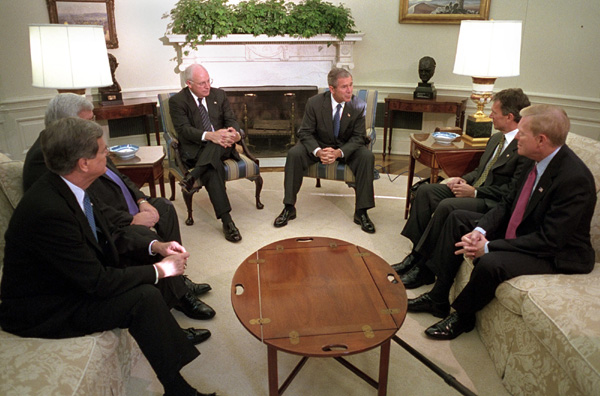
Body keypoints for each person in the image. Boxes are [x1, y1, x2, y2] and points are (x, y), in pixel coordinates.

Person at [0, 118, 217, 396]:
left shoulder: (69, 186)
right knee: (144, 297)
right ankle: (179, 390)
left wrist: (157, 248)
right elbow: (98, 282)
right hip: (45, 307)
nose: (108, 154)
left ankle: (176, 386)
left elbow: (111, 232)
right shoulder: (48, 210)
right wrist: (162, 270)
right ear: (84, 163)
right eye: (103, 151)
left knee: (145, 275)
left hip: (69, 281)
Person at [408, 104, 596, 340]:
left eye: (523, 133)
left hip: (556, 253)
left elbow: (549, 240)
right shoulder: (533, 158)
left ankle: (463, 316)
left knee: (491, 262)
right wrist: (480, 230)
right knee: (458, 218)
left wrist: (488, 247)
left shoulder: (574, 179)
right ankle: (437, 297)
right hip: (527, 233)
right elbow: (507, 204)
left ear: (541, 140)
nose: (516, 136)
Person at [22, 93, 215, 322]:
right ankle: (177, 293)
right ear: (67, 125)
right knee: (141, 234)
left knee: (164, 207)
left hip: (127, 203)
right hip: (112, 217)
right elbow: (84, 206)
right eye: (87, 121)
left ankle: (176, 279)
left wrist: (142, 201)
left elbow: (120, 176)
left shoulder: (87, 142)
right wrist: (130, 220)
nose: (94, 126)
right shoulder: (47, 158)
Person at [395, 88, 532, 288]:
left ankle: (423, 268)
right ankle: (415, 255)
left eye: (494, 112)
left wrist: (475, 192)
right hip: (473, 190)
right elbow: (480, 170)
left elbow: (512, 191)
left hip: (489, 201)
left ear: (509, 116)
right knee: (426, 191)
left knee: (447, 206)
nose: (490, 116)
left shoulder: (523, 147)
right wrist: (462, 179)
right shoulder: (496, 139)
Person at [273, 67, 376, 233]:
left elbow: (359, 138)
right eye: (344, 87)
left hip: (345, 148)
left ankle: (361, 212)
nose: (349, 90)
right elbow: (305, 132)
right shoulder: (314, 103)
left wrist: (338, 153)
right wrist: (318, 151)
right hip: (319, 145)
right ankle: (289, 207)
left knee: (366, 156)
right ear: (332, 89)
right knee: (294, 154)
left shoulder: (358, 105)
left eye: (351, 85)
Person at [169, 63, 243, 243]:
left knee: (218, 144)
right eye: (202, 83)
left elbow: (231, 119)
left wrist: (234, 134)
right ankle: (227, 222)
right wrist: (210, 135)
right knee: (212, 168)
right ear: (189, 83)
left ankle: (193, 175)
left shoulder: (219, 94)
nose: (207, 86)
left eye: (208, 81)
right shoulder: (178, 101)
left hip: (223, 145)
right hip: (196, 148)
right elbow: (184, 130)